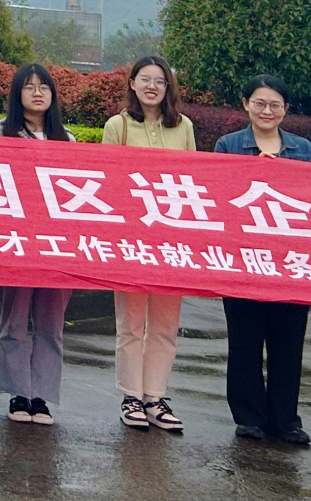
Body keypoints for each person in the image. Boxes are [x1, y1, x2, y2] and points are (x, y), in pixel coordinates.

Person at [211, 73, 311, 444]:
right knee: (245, 341)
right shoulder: (229, 145)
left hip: (291, 260)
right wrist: (254, 173)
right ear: (246, 105)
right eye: (259, 103)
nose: (267, 111)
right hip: (243, 258)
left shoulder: (302, 149)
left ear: (285, 109)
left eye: (275, 104)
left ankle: (286, 420)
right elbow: (217, 194)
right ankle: (249, 417)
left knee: (288, 342)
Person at [102, 54, 194, 433]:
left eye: (160, 80)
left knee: (165, 324)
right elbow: (106, 181)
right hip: (131, 237)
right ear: (133, 84)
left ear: (168, 87)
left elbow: (193, 180)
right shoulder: (117, 125)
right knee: (131, 322)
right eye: (145, 79)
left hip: (172, 239)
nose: (152, 86)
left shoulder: (183, 126)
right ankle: (131, 396)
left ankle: (155, 396)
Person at [0, 63, 73, 425]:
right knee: (14, 321)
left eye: (44, 87)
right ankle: (18, 394)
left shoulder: (66, 139)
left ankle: (41, 395)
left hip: (57, 244)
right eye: (29, 87)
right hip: (15, 241)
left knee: (51, 323)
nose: (37, 93)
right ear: (17, 94)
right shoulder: (1, 133)